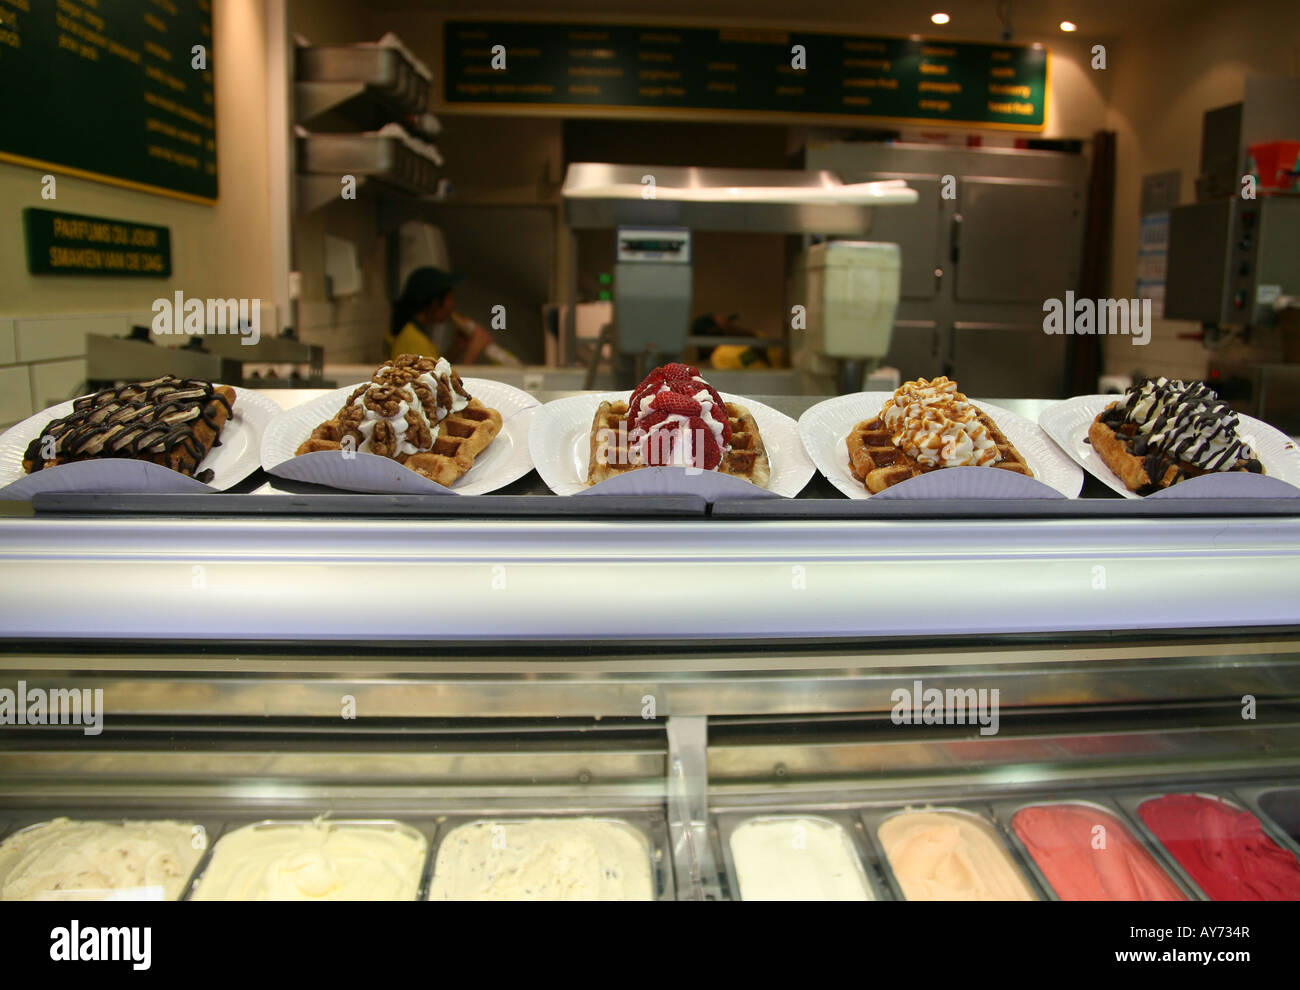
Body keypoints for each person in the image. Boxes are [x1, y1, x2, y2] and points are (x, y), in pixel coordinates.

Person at [387, 266, 517, 365]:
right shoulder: (412, 341)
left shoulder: (417, 334)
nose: (453, 304)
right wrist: (473, 351)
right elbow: (438, 390)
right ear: (434, 302)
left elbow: (439, 371)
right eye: (450, 297)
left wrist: (456, 348)